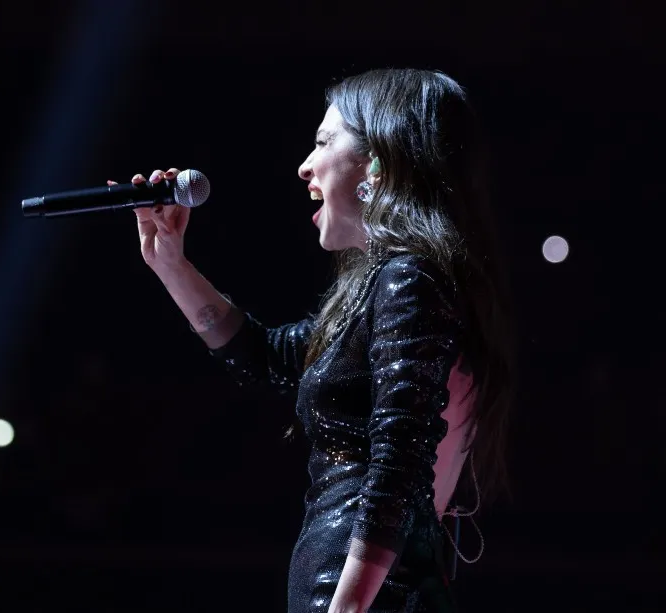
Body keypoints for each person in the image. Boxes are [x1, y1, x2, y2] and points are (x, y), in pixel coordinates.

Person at [109, 68, 514, 613]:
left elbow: (399, 459)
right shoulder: (398, 283)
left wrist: (346, 607)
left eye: (324, 141)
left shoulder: (410, 279)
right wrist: (169, 263)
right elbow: (267, 359)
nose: (304, 165)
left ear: (378, 162)